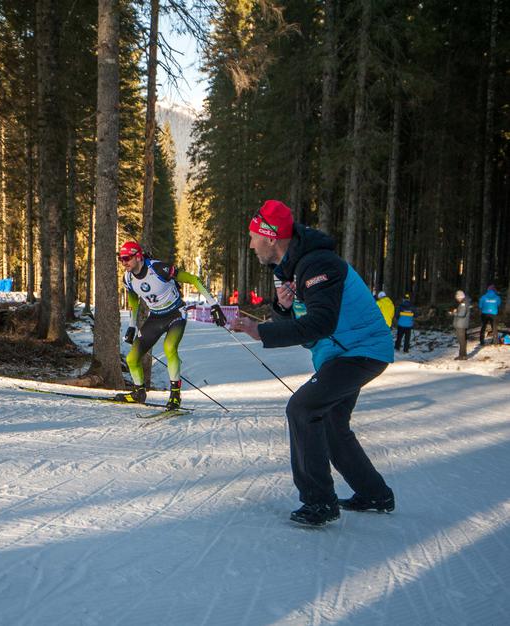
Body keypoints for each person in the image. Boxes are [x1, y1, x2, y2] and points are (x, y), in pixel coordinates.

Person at [230, 200, 395, 527]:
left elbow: (321, 324)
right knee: (332, 423)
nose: (250, 244)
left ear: (270, 238)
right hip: (342, 354)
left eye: (253, 237)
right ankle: (375, 494)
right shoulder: (293, 268)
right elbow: (303, 322)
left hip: (360, 351)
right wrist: (282, 308)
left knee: (302, 408)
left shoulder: (318, 264)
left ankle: (319, 503)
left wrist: (261, 330)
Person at [114, 240, 226, 409]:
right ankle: (139, 393)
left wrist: (214, 305)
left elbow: (194, 279)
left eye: (127, 258)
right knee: (132, 358)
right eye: (121, 259)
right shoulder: (128, 278)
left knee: (169, 347)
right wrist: (132, 325)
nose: (124, 263)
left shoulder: (158, 268)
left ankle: (175, 395)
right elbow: (134, 301)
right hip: (155, 317)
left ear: (138, 256)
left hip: (175, 313)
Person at [453, 290, 469, 360]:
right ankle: (463, 355)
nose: (457, 299)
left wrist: (454, 313)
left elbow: (462, 314)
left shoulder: (463, 304)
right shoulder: (465, 302)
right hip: (461, 324)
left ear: (460, 297)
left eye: (457, 298)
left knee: (461, 340)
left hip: (461, 325)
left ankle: (462, 355)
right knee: (463, 340)